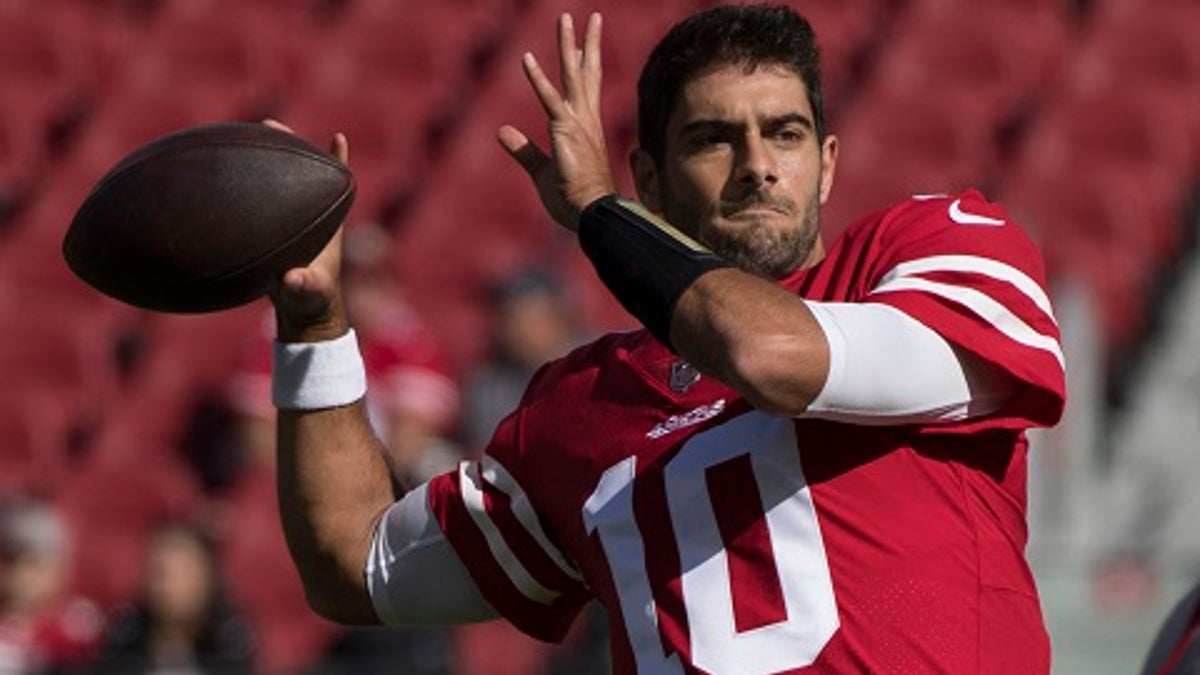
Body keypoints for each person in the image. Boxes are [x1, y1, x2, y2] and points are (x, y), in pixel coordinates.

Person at [262, 4, 1066, 674]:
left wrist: (598, 216)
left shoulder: (934, 249)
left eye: (783, 133)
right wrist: (313, 329)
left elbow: (770, 357)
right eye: (713, 138)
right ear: (649, 179)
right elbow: (352, 568)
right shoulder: (584, 403)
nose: (756, 165)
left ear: (825, 164)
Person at [89, 521, 254, 675]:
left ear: (207, 577)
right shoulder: (125, 636)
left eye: (183, 571)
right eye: (160, 570)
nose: (166, 584)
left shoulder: (230, 642)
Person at [0, 498, 102, 675]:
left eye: (34, 563)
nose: (21, 575)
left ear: (60, 566)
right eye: (11, 561)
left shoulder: (82, 625)